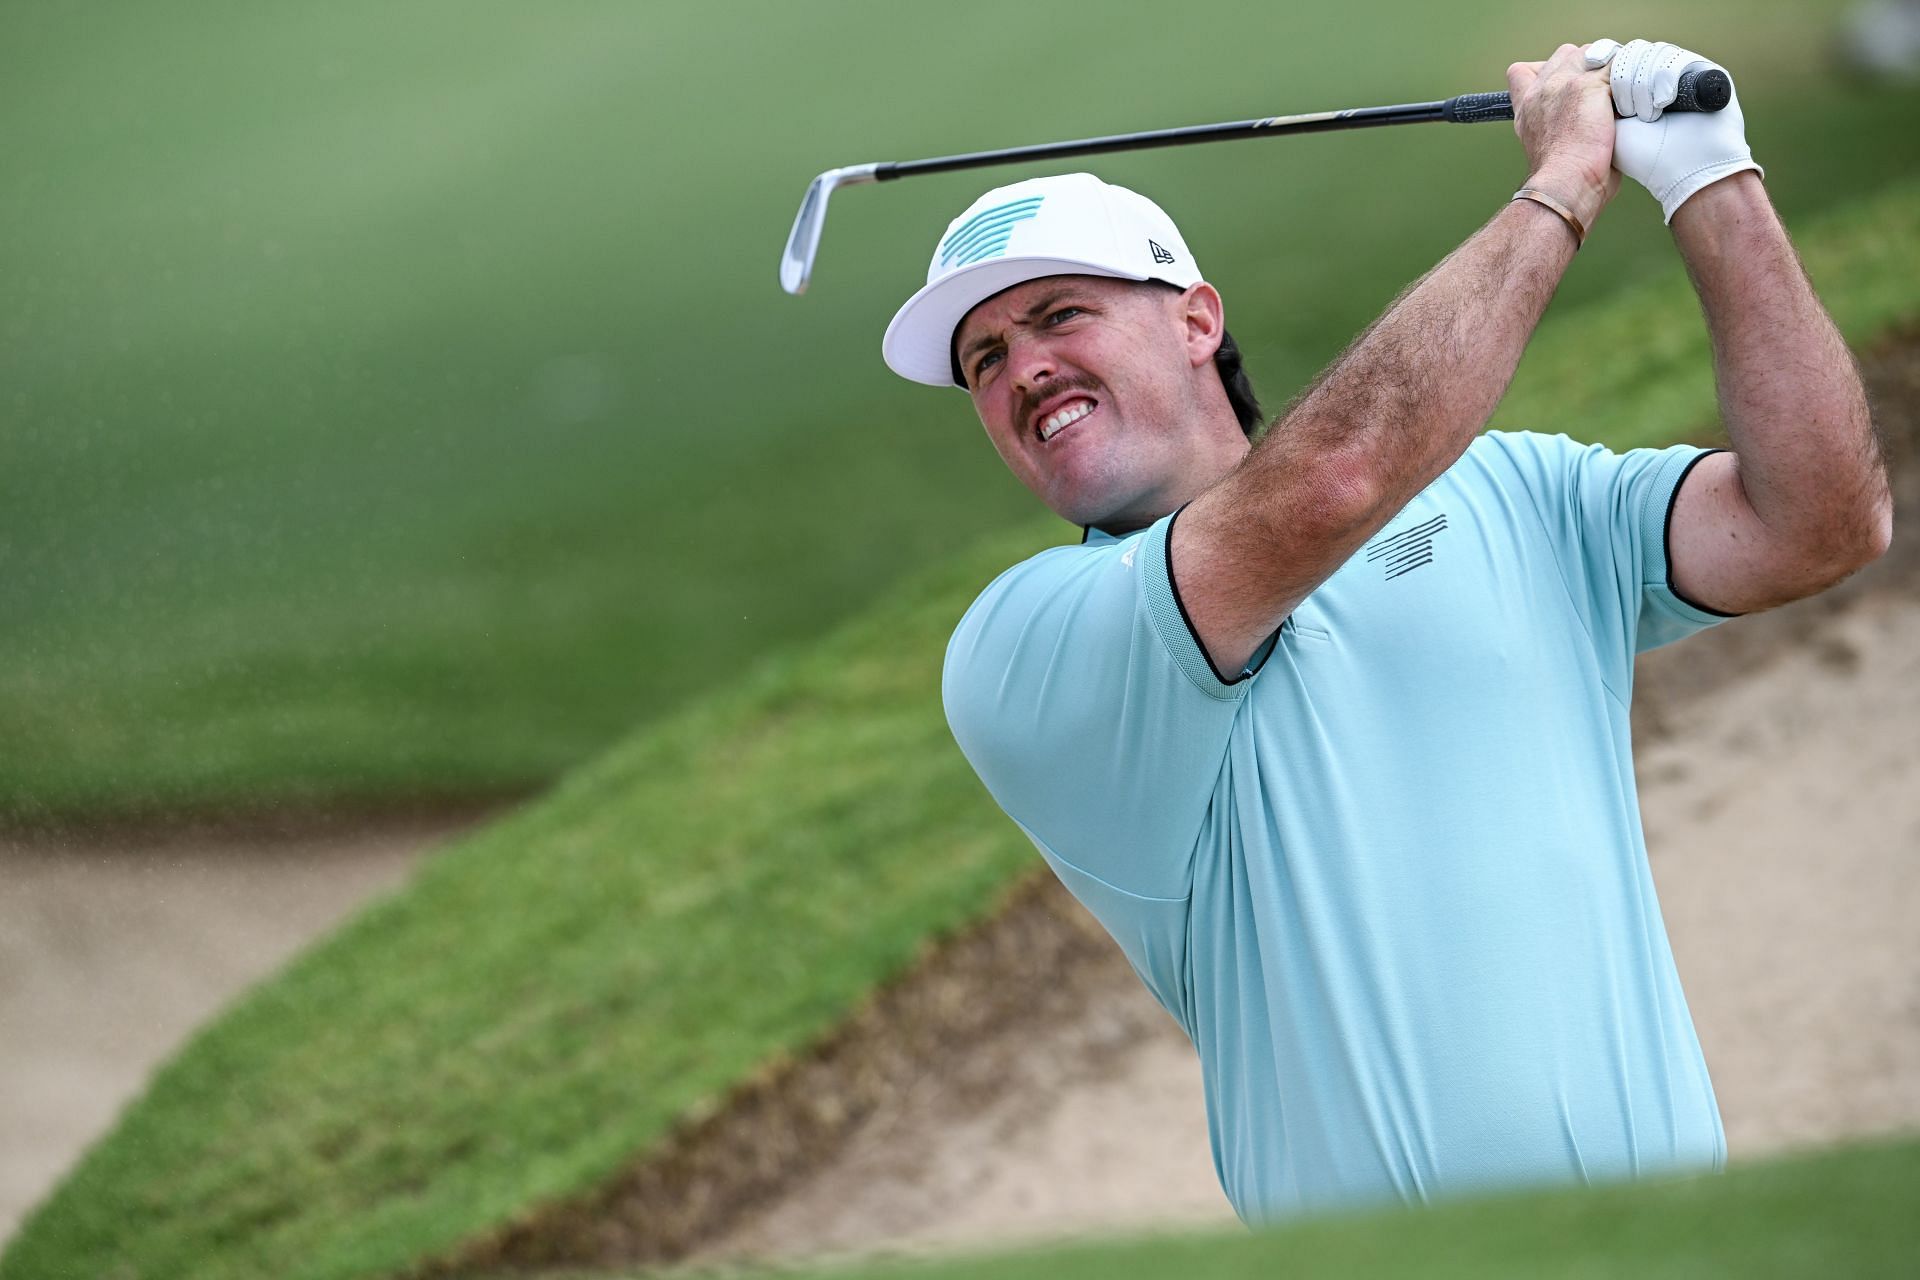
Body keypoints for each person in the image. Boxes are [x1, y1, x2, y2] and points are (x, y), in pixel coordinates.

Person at [878, 39, 1892, 1223]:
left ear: (1197, 320)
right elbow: (1333, 482)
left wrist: (1711, 181)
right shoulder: (1027, 648)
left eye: (1060, 314)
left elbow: (1823, 521)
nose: (1023, 369)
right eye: (984, 359)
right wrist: (1564, 182)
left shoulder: (1517, 492)